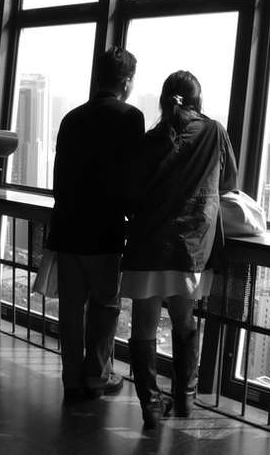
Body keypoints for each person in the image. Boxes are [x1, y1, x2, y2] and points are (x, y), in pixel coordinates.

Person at [120, 71, 237, 428]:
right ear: (198, 100)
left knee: (143, 327)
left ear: (164, 100)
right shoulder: (214, 132)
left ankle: (151, 407)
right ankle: (185, 398)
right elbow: (229, 181)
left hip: (147, 244)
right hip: (189, 246)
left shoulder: (150, 139)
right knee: (184, 321)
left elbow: (131, 191)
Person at [47, 46, 145, 401]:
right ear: (127, 82)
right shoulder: (131, 118)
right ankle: (96, 376)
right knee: (104, 307)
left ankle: (72, 378)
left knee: (71, 308)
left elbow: (59, 180)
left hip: (67, 228)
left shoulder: (71, 119)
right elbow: (132, 178)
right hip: (105, 231)